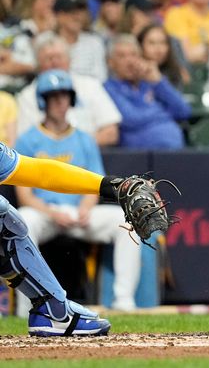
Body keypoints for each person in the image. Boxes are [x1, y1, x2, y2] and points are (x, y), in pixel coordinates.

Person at [14, 70, 142, 314]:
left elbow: (95, 184)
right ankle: (26, 307)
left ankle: (124, 301)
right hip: (45, 212)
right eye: (54, 97)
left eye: (64, 95)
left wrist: (85, 208)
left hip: (79, 211)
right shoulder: (28, 139)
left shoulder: (84, 139)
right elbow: (25, 196)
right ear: (43, 100)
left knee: (125, 222)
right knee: (22, 222)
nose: (60, 101)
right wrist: (53, 213)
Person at [16, 33, 121, 146]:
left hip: (86, 158)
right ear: (38, 64)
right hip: (45, 159)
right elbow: (25, 140)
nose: (55, 62)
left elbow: (111, 132)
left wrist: (76, 150)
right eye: (49, 58)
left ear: (70, 60)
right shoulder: (27, 95)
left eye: (59, 57)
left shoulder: (91, 86)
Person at [104, 35, 191, 150]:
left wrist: (158, 81)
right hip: (140, 157)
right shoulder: (108, 88)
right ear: (111, 62)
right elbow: (131, 119)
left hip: (175, 153)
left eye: (133, 55)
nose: (130, 61)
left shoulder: (151, 83)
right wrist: (165, 114)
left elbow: (184, 111)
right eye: (122, 56)